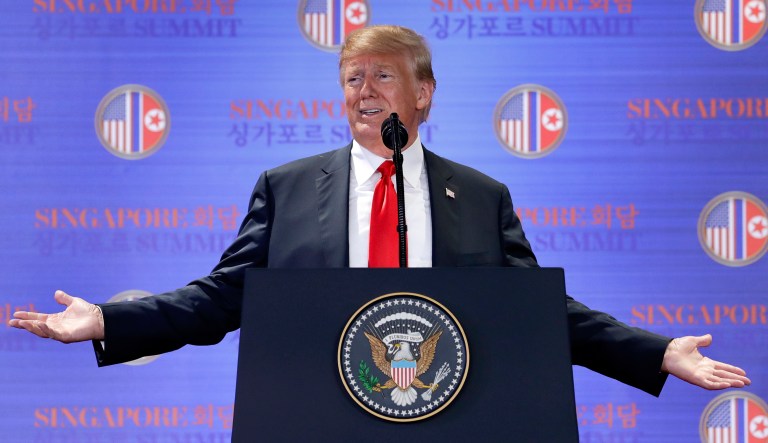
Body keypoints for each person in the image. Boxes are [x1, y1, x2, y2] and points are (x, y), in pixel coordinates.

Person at [10, 25, 749, 396]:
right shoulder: (286, 188)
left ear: (422, 94)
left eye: (382, 77)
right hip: (315, 416)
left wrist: (658, 352)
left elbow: (537, 312)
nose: (363, 91)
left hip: (451, 414)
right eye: (351, 78)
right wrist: (105, 320)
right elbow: (221, 298)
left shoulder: (481, 196)